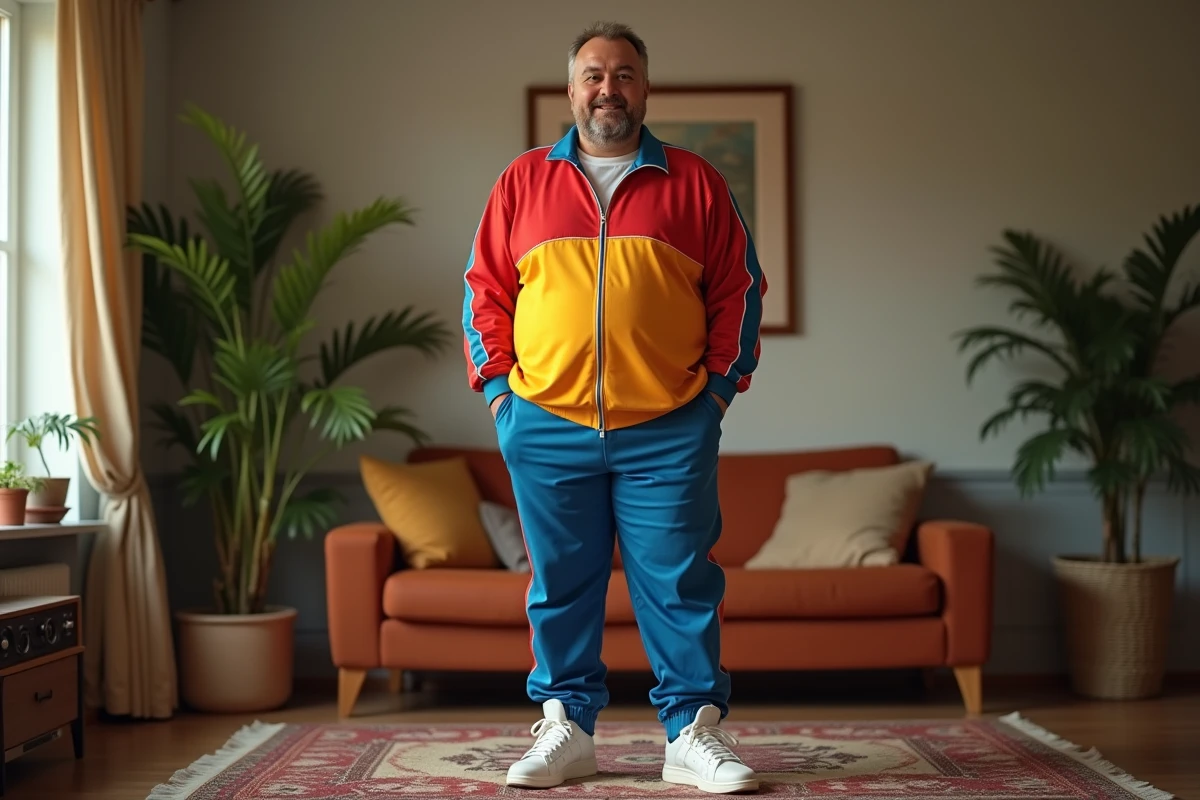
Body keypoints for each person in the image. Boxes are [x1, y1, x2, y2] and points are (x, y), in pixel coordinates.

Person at [461, 20, 766, 794]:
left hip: (668, 427)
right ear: (571, 90)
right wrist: (500, 394)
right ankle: (567, 727)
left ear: (645, 87)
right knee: (559, 583)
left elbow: (739, 290)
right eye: (593, 75)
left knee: (678, 583)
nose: (608, 88)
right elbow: (484, 294)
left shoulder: (694, 182)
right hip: (546, 422)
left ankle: (692, 734)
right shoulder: (522, 183)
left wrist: (717, 394)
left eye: (623, 74)